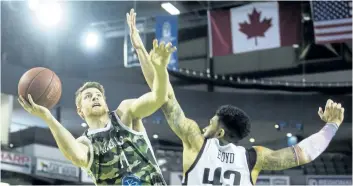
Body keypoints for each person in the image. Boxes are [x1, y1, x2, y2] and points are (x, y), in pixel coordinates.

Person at [127, 9, 345, 185]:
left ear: (220, 132)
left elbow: (164, 96)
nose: (205, 127)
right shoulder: (254, 159)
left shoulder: (196, 141)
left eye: (210, 124)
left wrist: (143, 53)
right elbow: (303, 153)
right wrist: (332, 126)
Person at [17, 40, 176, 185]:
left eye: (98, 95)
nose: (95, 97)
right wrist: (47, 117)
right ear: (80, 111)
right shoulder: (85, 143)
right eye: (88, 96)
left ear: (106, 104)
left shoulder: (125, 114)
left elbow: (159, 97)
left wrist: (161, 69)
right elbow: (77, 156)